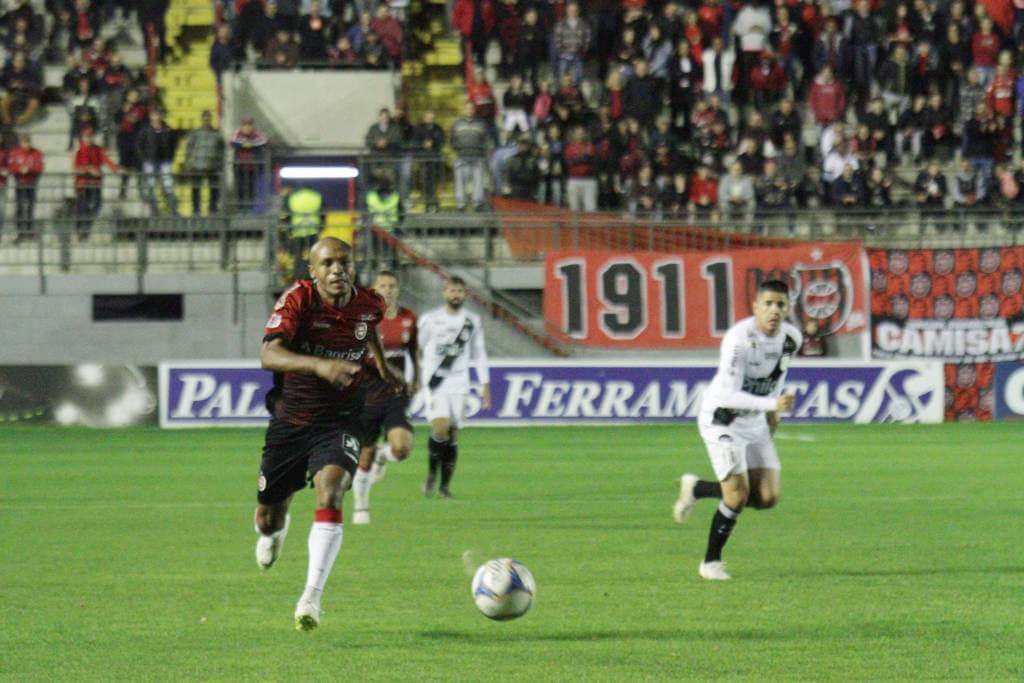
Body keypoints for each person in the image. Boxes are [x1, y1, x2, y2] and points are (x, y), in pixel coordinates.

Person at [254, 237, 402, 631]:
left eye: (343, 262)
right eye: (327, 264)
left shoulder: (369, 303)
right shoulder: (297, 300)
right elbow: (269, 355)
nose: (337, 270)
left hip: (341, 418)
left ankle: (311, 598)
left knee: (332, 489)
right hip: (291, 421)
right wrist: (319, 366)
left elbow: (370, 333)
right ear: (313, 272)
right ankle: (274, 532)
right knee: (268, 517)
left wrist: (384, 370)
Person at [672, 279, 801, 581]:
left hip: (756, 418)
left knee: (768, 496)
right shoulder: (738, 339)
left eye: (780, 304)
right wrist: (772, 405)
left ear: (788, 308)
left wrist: (773, 419)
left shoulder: (791, 339)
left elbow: (777, 377)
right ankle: (710, 563)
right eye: (767, 303)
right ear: (755, 307)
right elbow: (729, 394)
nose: (774, 310)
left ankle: (697, 489)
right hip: (723, 418)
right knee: (737, 495)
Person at [351, 271, 419, 525]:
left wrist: (417, 378)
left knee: (402, 448)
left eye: (392, 285)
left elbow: (414, 351)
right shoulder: (363, 320)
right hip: (367, 395)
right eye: (383, 286)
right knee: (364, 455)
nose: (388, 290)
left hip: (395, 394)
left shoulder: (409, 318)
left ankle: (385, 455)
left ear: (398, 289)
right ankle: (361, 505)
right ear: (374, 290)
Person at [417, 277, 491, 498]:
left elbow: (479, 354)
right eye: (452, 290)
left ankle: (445, 487)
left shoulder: (472, 321)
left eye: (460, 291)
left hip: (460, 383)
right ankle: (431, 473)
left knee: (453, 434)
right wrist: (418, 376)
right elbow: (416, 347)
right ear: (444, 293)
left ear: (465, 294)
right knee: (440, 426)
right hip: (436, 382)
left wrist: (485, 384)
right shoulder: (430, 320)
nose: (456, 294)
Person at [72, 127, 124, 239]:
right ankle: (80, 230)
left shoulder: (97, 149)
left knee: (96, 206)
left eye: (90, 137)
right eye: (86, 137)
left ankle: (86, 228)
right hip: (82, 184)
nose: (88, 139)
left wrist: (116, 168)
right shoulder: (79, 151)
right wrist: (89, 169)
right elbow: (75, 168)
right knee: (82, 208)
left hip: (95, 183)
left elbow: (107, 160)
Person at [136, 109, 178, 216]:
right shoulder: (145, 130)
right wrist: (144, 158)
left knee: (168, 184)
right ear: (151, 116)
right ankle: (154, 210)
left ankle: (173, 209)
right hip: (150, 160)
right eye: (154, 115)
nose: (156, 117)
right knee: (151, 185)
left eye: (158, 115)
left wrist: (171, 156)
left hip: (164, 160)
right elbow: (139, 145)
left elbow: (173, 143)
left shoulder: (167, 129)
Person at [184, 110, 225, 216]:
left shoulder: (217, 134)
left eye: (208, 118)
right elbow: (189, 148)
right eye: (204, 118)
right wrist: (188, 163)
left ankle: (212, 210)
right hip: (197, 165)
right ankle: (196, 211)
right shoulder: (195, 133)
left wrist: (220, 163)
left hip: (213, 166)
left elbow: (221, 149)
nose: (206, 120)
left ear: (211, 119)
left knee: (214, 190)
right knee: (196, 189)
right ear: (202, 119)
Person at [8, 133, 43, 242]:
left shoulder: (36, 153)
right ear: (20, 142)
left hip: (31, 184)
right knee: (19, 208)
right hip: (19, 184)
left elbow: (39, 166)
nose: (26, 144)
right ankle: (20, 232)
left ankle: (29, 230)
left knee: (30, 208)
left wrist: (29, 169)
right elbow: (11, 166)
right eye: (24, 142)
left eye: (27, 142)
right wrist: (19, 169)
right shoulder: (15, 152)